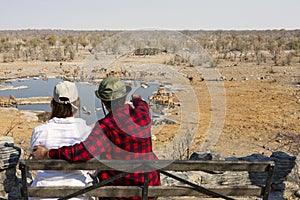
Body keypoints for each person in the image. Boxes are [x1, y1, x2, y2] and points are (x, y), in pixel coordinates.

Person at [32, 77, 160, 200]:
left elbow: (82, 153)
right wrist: (137, 100)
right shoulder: (142, 114)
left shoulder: (106, 125)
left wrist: (48, 153)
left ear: (103, 102)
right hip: (149, 187)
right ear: (125, 96)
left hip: (121, 193)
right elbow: (143, 105)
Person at [29, 81, 93, 200]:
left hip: (43, 193)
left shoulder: (40, 131)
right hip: (77, 193)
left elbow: (34, 158)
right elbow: (93, 169)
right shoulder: (86, 132)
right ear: (77, 102)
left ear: (53, 103)